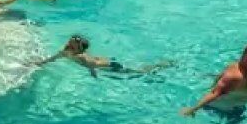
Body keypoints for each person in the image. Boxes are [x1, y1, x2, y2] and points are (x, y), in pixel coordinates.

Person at [181, 43, 247, 116]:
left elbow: (222, 80)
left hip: (232, 105)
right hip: (225, 110)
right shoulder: (236, 77)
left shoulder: (238, 68)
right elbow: (214, 93)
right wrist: (192, 110)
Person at [40, 34, 172, 77]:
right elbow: (53, 58)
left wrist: (93, 75)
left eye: (72, 42)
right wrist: (39, 63)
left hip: (111, 66)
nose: (69, 42)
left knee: (140, 72)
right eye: (70, 40)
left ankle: (161, 66)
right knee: (137, 71)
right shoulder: (66, 51)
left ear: (78, 47)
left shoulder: (81, 56)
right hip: (106, 62)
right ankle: (160, 66)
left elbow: (90, 64)